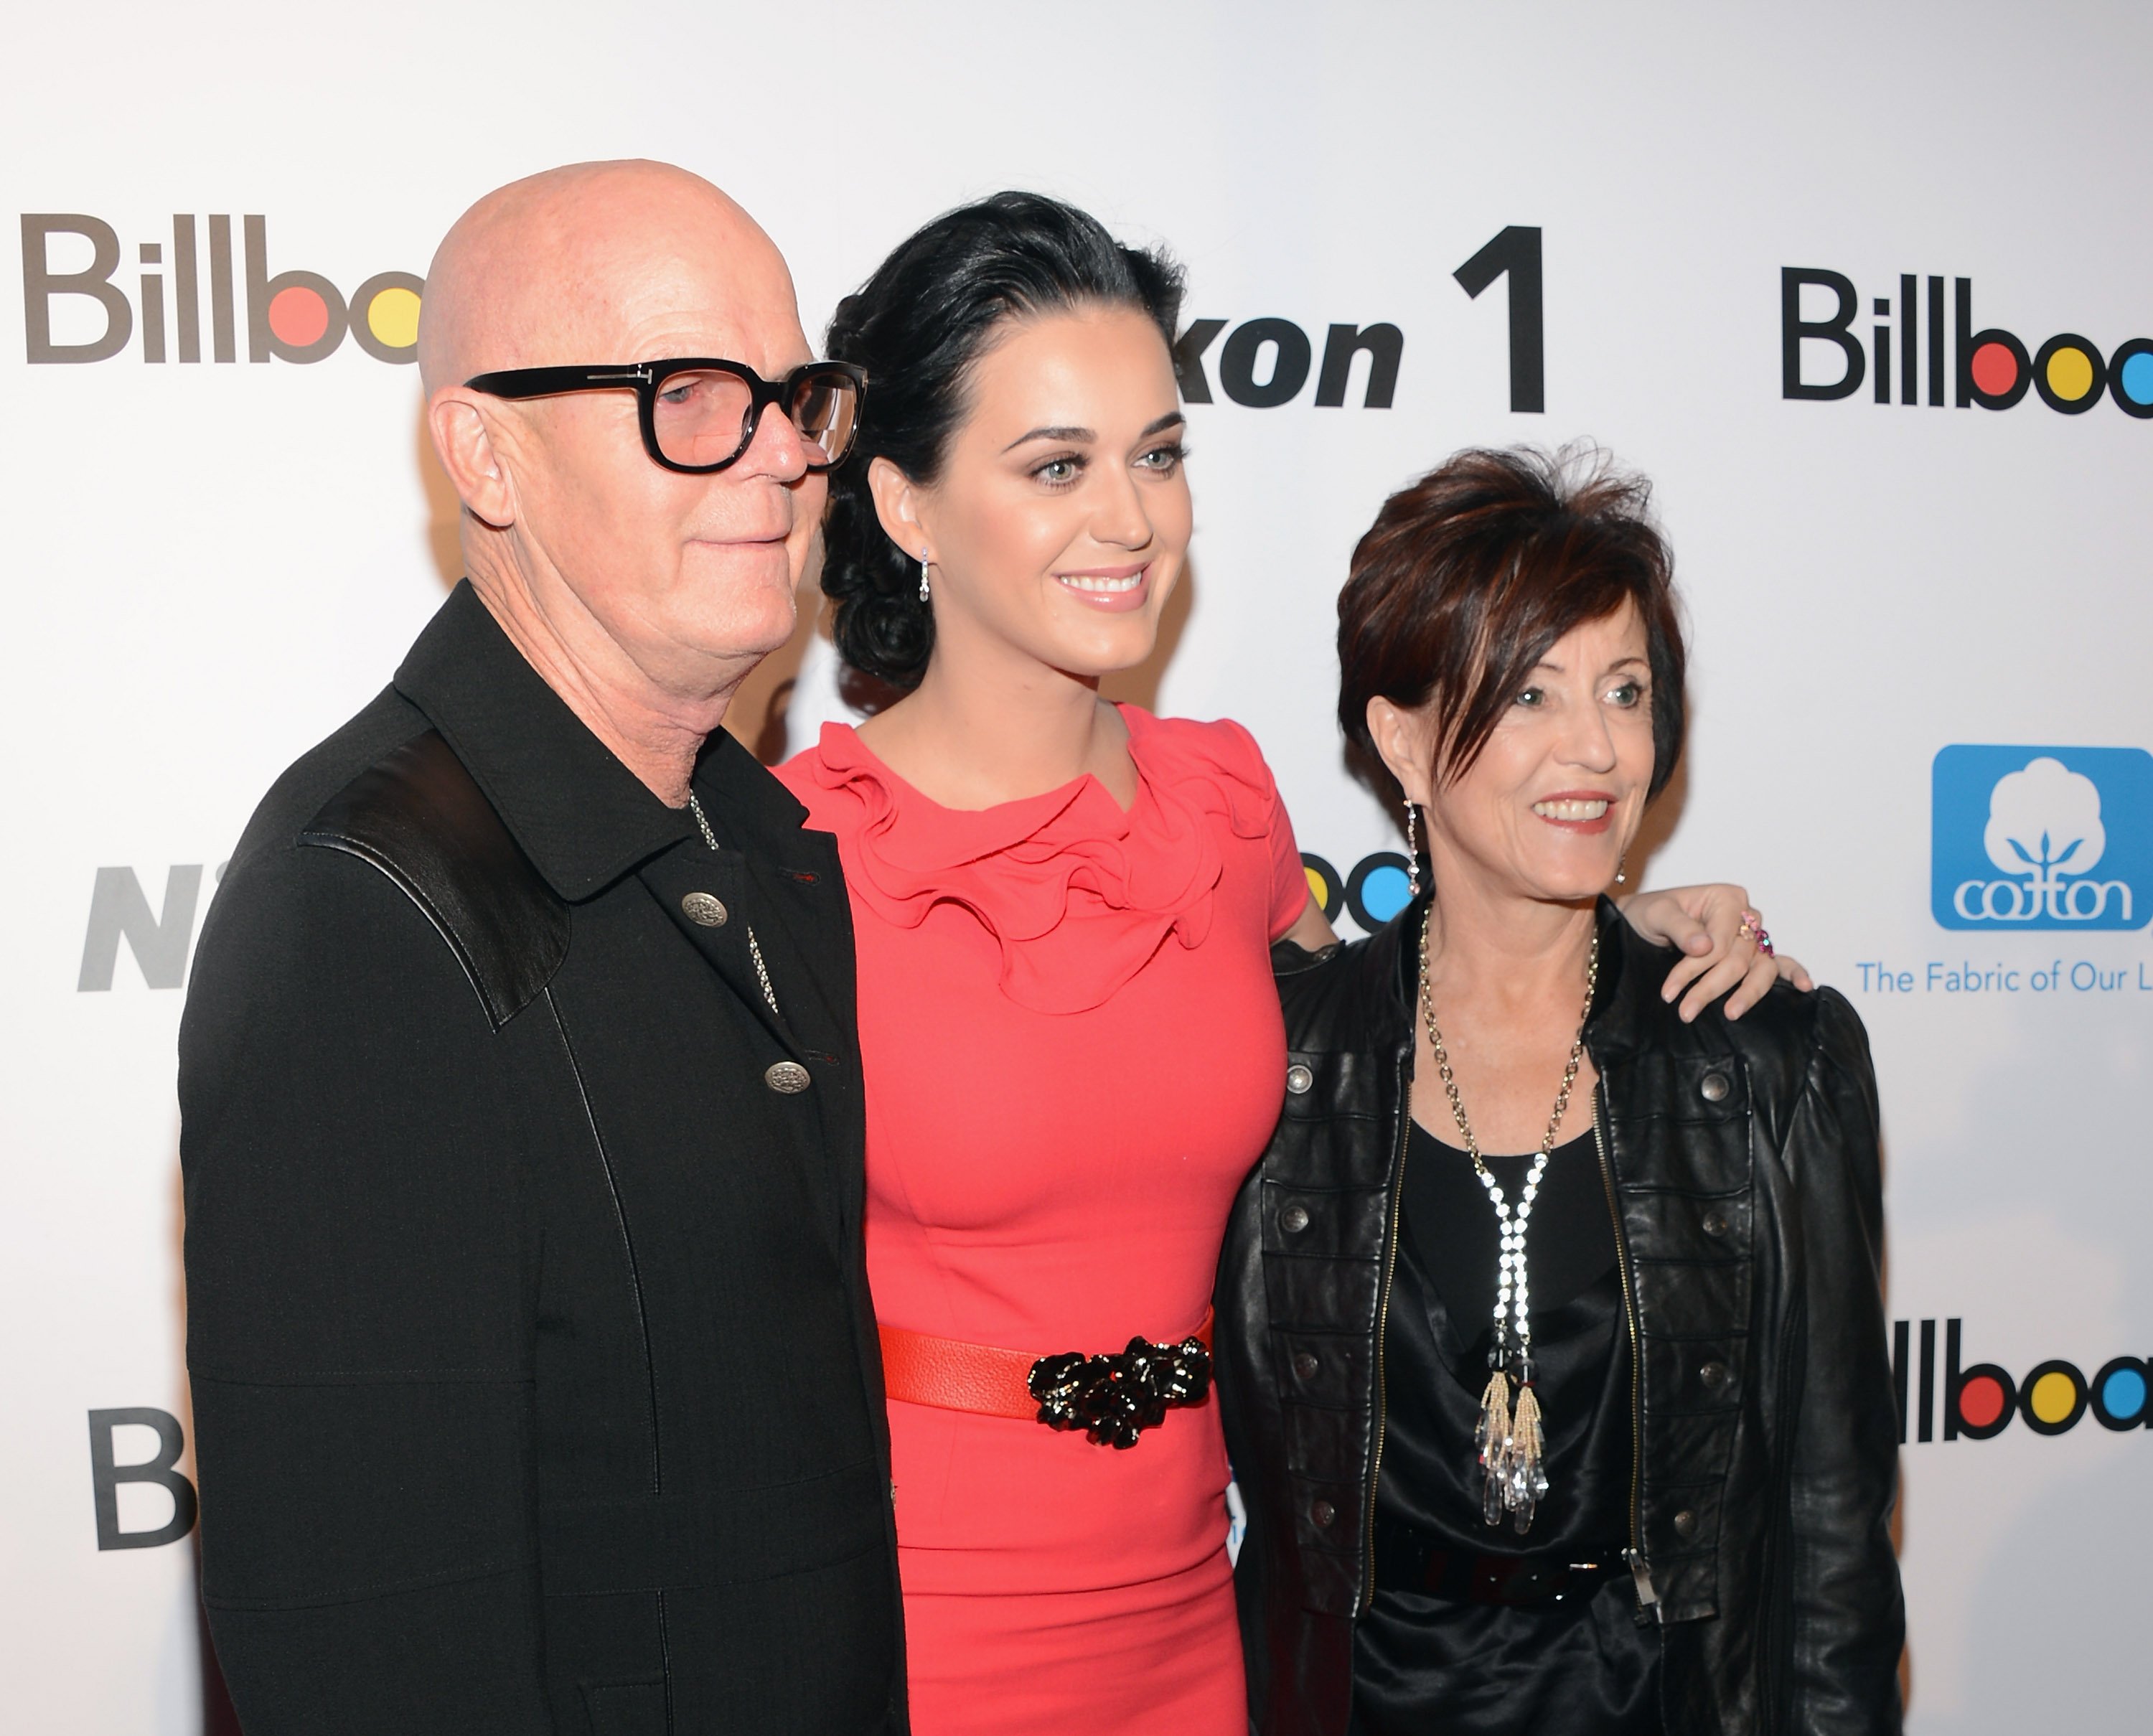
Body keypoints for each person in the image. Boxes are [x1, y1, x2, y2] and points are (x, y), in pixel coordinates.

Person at [774, 194, 1795, 1735]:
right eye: (1057, 465)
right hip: (917, 1623)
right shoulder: (796, 857)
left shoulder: (1220, 800)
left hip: (1200, 1619)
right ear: (906, 503)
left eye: (1159, 453)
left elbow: (1387, 1010)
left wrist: (1589, 917)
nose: (1131, 519)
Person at [177, 161, 905, 1733]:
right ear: (485, 453)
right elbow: (366, 1633)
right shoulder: (362, 901)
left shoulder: (754, 835)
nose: (779, 455)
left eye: (795, 397)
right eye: (690, 395)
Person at [1216, 446, 1903, 1735]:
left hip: (1662, 1704)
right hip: (1347, 1705)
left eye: (1626, 690)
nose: (1596, 747)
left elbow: (1831, 1526)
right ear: (1404, 741)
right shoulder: (1277, 1059)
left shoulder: (1766, 1058)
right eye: (1531, 695)